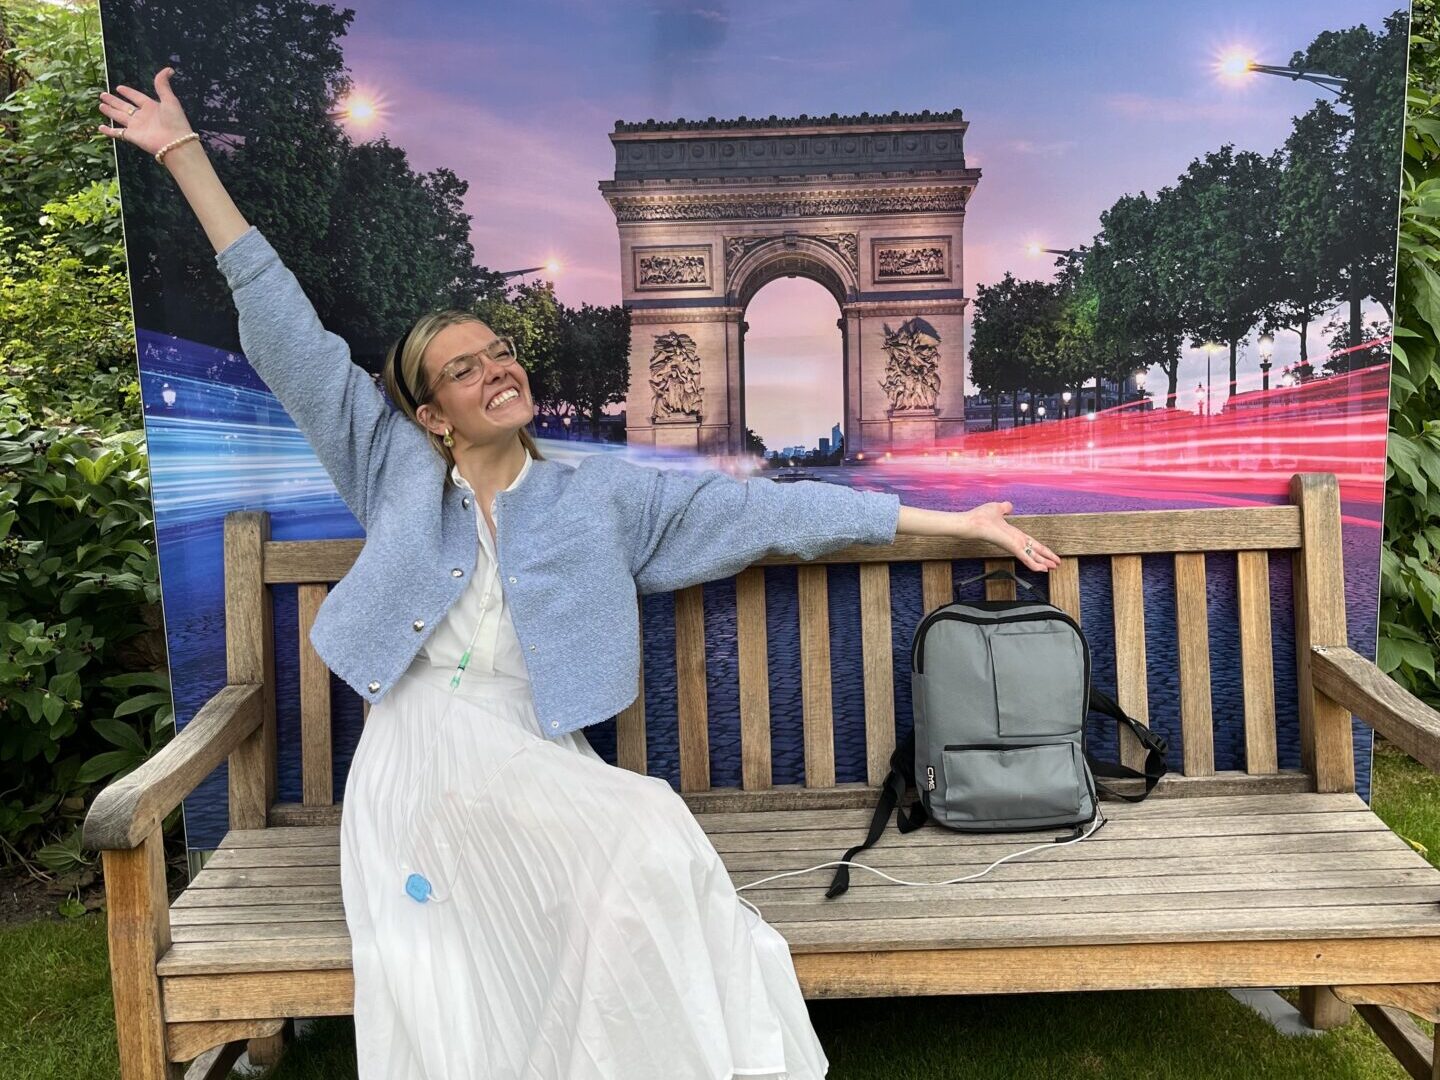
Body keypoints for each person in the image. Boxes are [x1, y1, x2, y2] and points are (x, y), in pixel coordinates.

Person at [98, 68, 1060, 1080]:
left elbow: (773, 510)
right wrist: (183, 155)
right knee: (643, 835)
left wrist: (956, 517)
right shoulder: (386, 467)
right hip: (418, 759)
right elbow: (285, 329)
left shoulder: (605, 495)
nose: (496, 370)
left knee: (641, 847)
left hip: (531, 752)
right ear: (431, 413)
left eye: (499, 351)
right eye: (463, 369)